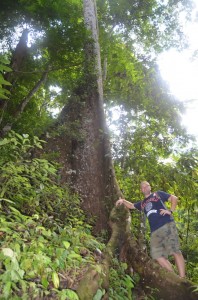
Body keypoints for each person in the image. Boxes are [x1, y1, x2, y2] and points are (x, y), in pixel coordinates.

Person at [116, 181, 185, 278]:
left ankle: (183, 279)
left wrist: (170, 211)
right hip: (154, 231)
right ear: (141, 190)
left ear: (150, 187)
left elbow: (174, 198)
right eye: (142, 187)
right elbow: (131, 206)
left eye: (146, 186)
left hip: (166, 224)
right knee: (157, 256)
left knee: (174, 250)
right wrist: (123, 201)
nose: (144, 188)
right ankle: (175, 278)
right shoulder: (142, 203)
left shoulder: (158, 194)